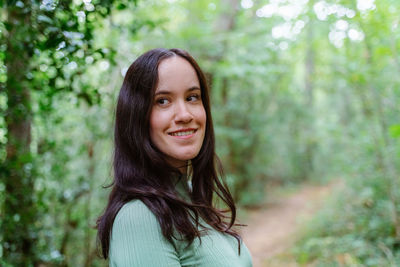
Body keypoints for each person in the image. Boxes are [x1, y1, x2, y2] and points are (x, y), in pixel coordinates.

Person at [96, 48, 253, 266]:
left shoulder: (188, 197)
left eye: (192, 97)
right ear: (136, 116)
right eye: (162, 101)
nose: (185, 115)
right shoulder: (138, 218)